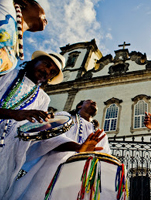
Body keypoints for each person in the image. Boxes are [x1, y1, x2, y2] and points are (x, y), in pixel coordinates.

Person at [0, 51, 102, 199]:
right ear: (34, 61)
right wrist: (14, 114)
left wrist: (78, 148)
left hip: (9, 156)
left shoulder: (42, 99)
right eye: (46, 65)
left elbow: (46, 137)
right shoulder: (7, 74)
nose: (47, 71)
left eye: (52, 72)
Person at [6, 99, 111, 200]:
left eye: (95, 103)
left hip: (82, 179)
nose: (94, 103)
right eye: (90, 101)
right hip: (53, 170)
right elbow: (48, 138)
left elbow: (105, 156)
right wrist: (78, 147)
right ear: (79, 106)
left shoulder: (100, 134)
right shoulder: (65, 117)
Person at [0, 0, 48, 75]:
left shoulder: (16, 55)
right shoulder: (6, 5)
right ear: (25, 2)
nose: (46, 21)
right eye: (44, 15)